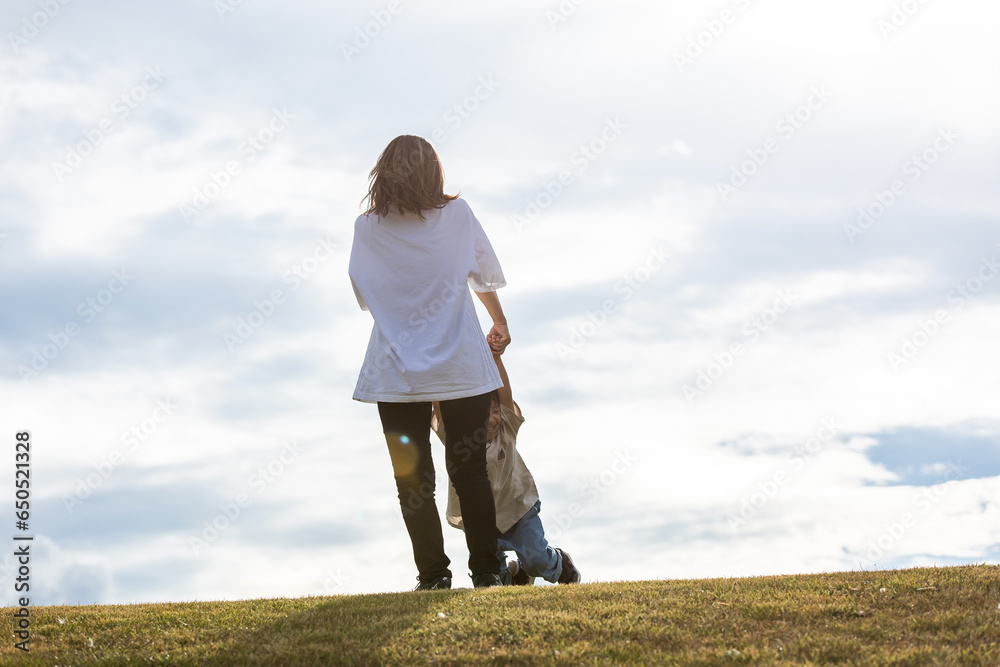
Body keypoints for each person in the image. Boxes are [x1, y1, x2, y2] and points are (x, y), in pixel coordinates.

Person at [348, 134, 511, 590]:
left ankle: (434, 577)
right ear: (434, 172)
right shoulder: (457, 215)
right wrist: (498, 320)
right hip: (460, 364)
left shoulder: (367, 227)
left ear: (383, 172)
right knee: (471, 471)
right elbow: (484, 274)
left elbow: (363, 295)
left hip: (395, 372)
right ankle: (488, 574)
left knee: (413, 480)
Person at [430, 349, 581, 586]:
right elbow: (440, 409)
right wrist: (436, 372)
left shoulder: (507, 430)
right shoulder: (456, 440)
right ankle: (515, 574)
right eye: (485, 412)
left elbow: (505, 394)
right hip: (480, 518)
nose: (492, 418)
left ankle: (559, 564)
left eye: (496, 411)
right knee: (493, 576)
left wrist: (495, 357)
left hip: (518, 507)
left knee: (537, 562)